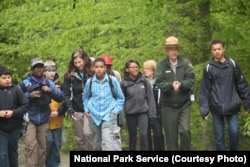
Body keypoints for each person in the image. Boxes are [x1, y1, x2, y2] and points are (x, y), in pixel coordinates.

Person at [199, 39, 250, 151]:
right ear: (211, 51)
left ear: (223, 49)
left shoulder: (232, 64)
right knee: (219, 137)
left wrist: (247, 103)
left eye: (219, 49)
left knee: (234, 132)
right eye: (214, 49)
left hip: (232, 105)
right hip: (216, 107)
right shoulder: (208, 68)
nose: (217, 51)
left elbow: (242, 85)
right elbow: (204, 90)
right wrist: (204, 110)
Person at [19, 57, 64, 167]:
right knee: (31, 145)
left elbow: (61, 97)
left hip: (44, 119)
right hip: (30, 118)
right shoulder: (26, 82)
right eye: (36, 67)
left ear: (43, 69)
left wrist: (50, 91)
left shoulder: (48, 83)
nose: (38, 69)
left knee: (42, 147)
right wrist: (30, 95)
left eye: (40, 67)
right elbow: (15, 97)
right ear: (32, 69)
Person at [155, 36, 195, 150]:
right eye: (171, 49)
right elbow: (159, 82)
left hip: (184, 104)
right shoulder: (161, 65)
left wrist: (181, 84)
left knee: (185, 131)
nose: (174, 51)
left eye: (176, 49)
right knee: (171, 138)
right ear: (167, 51)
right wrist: (170, 85)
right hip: (168, 106)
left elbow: (191, 79)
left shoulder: (186, 63)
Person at [83, 58, 125, 150]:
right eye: (97, 67)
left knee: (107, 143)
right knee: (96, 144)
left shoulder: (112, 80)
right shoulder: (89, 82)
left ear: (105, 68)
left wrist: (115, 111)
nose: (99, 69)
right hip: (93, 116)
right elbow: (86, 98)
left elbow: (121, 97)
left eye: (101, 67)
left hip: (109, 115)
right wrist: (86, 110)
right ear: (93, 68)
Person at [121, 60, 157, 151]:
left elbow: (150, 98)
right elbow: (121, 101)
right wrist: (120, 118)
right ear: (127, 69)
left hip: (143, 112)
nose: (136, 69)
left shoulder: (144, 81)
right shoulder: (123, 83)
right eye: (133, 67)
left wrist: (152, 115)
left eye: (137, 67)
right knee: (132, 138)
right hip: (130, 114)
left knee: (144, 135)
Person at [62, 49, 93, 151]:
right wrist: (70, 108)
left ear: (85, 60)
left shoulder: (92, 73)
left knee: (87, 133)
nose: (78, 65)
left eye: (80, 62)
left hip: (90, 110)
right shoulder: (69, 76)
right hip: (76, 109)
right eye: (75, 63)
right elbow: (66, 94)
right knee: (80, 138)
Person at [0, 66, 29, 167]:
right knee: (2, 156)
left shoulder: (16, 89)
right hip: (1, 129)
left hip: (14, 128)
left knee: (13, 155)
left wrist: (13, 112)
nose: (7, 80)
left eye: (8, 77)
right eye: (4, 78)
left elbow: (25, 105)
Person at [44, 60, 66, 167]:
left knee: (57, 146)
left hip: (58, 120)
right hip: (45, 122)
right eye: (48, 70)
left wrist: (58, 112)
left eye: (53, 69)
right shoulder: (40, 84)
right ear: (44, 71)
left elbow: (66, 102)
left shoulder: (61, 85)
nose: (51, 72)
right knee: (48, 144)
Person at [101, 54, 123, 151]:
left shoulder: (116, 75)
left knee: (115, 135)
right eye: (104, 66)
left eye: (108, 66)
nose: (106, 68)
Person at [143, 60, 165, 151]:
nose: (145, 71)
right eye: (144, 69)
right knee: (146, 135)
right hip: (144, 111)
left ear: (153, 70)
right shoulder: (142, 82)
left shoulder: (159, 82)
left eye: (148, 69)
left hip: (157, 112)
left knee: (158, 134)